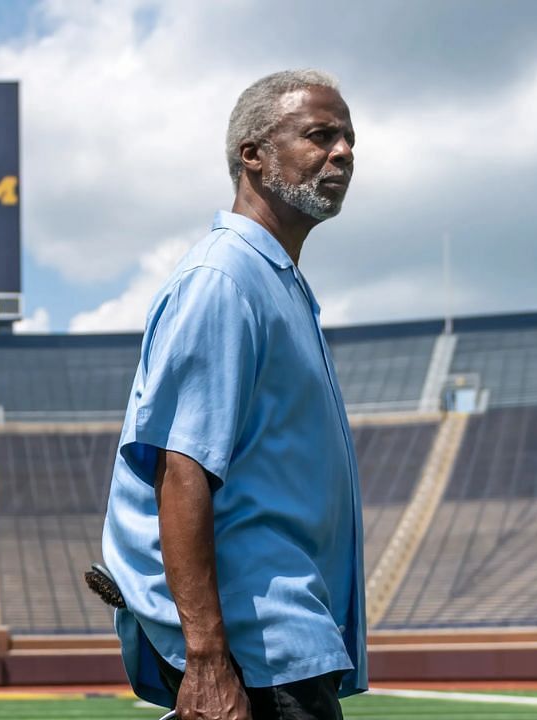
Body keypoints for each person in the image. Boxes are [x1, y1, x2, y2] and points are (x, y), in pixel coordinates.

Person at [102, 69, 367, 720]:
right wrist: (208, 659)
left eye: (350, 140)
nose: (343, 153)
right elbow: (182, 467)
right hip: (259, 637)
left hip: (286, 631)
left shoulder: (282, 285)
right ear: (252, 153)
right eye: (320, 135)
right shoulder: (225, 277)